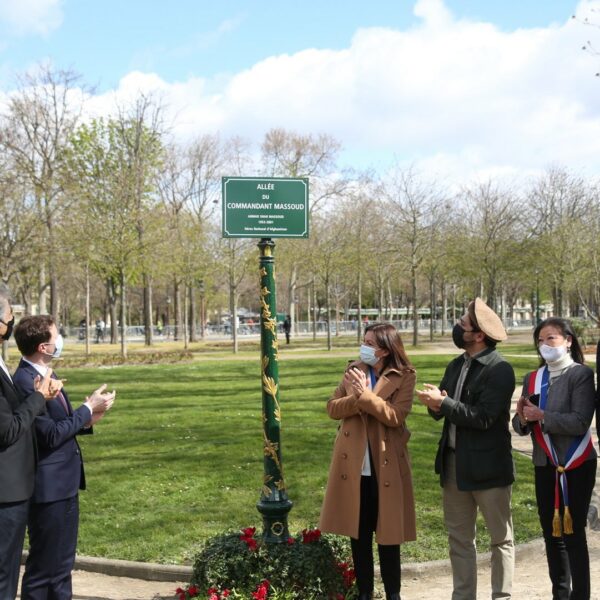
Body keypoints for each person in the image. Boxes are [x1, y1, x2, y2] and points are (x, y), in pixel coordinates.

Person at [416, 298, 515, 600]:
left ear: (479, 335)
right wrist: (436, 403)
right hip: (453, 466)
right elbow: (446, 410)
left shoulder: (500, 370)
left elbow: (483, 417)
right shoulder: (456, 363)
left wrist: (444, 403)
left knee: (501, 540)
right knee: (459, 540)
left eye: (463, 324)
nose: (457, 328)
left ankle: (502, 596)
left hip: (489, 469)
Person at [13, 315, 116, 600]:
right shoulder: (25, 381)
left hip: (65, 483)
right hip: (48, 488)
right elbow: (47, 435)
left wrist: (88, 418)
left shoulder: (49, 373)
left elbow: (60, 426)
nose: (60, 340)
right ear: (43, 346)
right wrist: (85, 408)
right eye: (56, 336)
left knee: (61, 565)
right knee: (44, 568)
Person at [320, 322, 416, 600]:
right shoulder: (354, 370)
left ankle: (393, 593)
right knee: (358, 534)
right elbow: (332, 408)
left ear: (385, 350)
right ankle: (364, 592)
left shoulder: (405, 375)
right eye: (363, 341)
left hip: (386, 463)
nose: (364, 347)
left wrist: (364, 396)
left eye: (370, 343)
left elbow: (396, 416)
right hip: (354, 466)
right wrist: (356, 398)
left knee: (388, 535)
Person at [513, 317, 597, 600]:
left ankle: (581, 595)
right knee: (551, 533)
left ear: (568, 341)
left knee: (573, 534)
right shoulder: (533, 378)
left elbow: (579, 422)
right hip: (545, 464)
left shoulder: (580, 375)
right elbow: (520, 425)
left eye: (551, 338)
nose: (545, 345)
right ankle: (560, 593)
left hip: (577, 465)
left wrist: (543, 416)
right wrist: (523, 418)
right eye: (540, 340)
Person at [0, 286, 54, 599]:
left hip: (13, 489)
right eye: (9, 318)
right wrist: (38, 396)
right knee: (5, 576)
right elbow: (7, 430)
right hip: (6, 494)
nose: (11, 325)